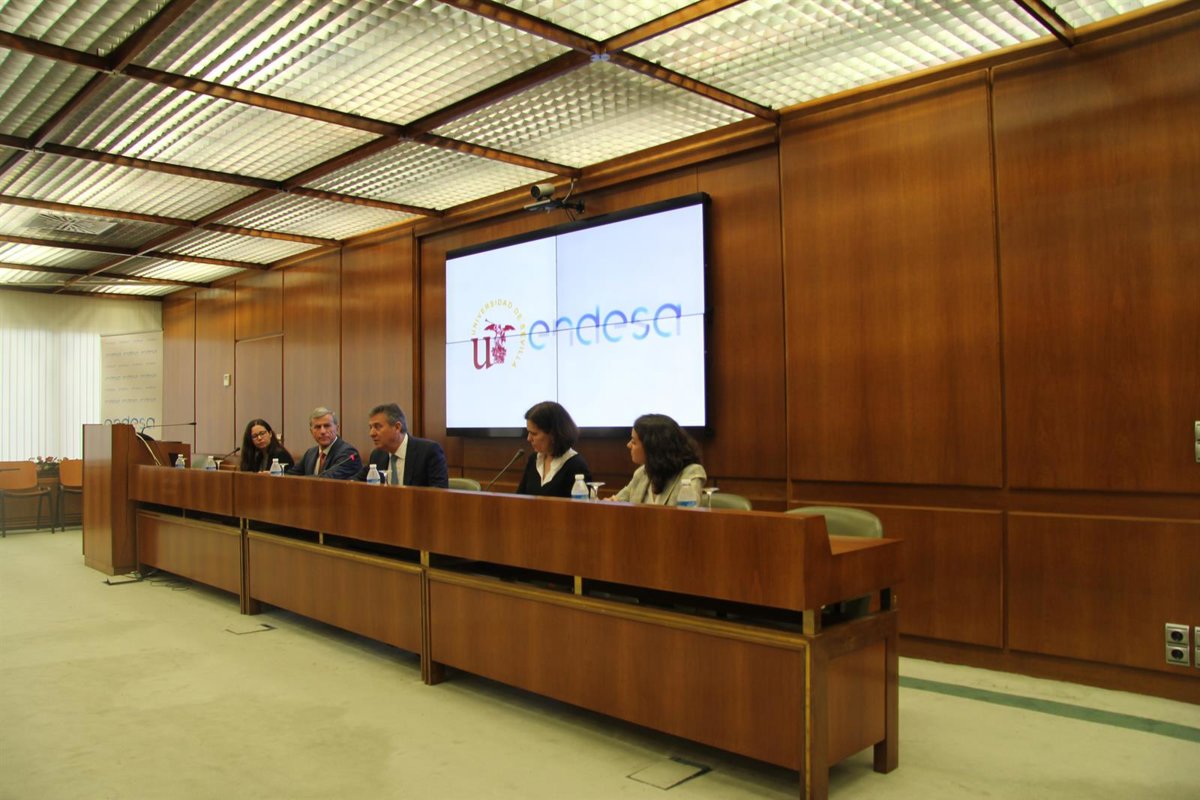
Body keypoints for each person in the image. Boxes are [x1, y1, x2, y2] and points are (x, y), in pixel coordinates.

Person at [608, 413, 706, 506]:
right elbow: (616, 503)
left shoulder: (691, 472)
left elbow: (686, 514)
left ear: (652, 446)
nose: (628, 445)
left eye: (634, 442)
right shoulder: (642, 473)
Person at [358, 403, 449, 487]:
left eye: (378, 427)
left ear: (397, 427)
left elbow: (439, 492)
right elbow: (356, 482)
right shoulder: (377, 455)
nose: (371, 433)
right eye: (370, 427)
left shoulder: (428, 452)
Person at [515, 401, 591, 497]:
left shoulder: (576, 466)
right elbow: (520, 498)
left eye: (534, 434)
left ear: (553, 434)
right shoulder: (533, 459)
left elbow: (580, 505)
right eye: (528, 432)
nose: (529, 438)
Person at [285, 407, 361, 479]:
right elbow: (290, 476)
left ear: (337, 428)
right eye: (318, 427)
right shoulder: (310, 453)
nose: (322, 431)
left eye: (327, 426)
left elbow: (328, 479)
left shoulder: (348, 454)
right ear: (311, 431)